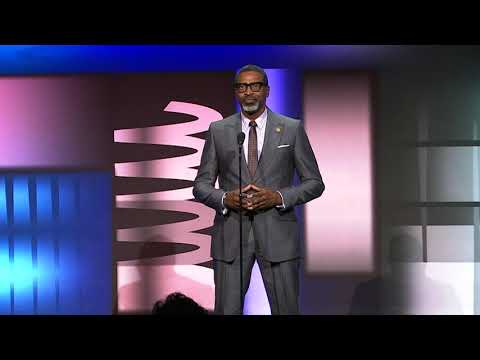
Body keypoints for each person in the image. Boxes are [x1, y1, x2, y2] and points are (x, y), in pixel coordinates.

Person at [193, 64, 325, 315]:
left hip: (278, 237)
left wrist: (277, 197)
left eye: (255, 86)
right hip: (231, 238)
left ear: (267, 90)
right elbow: (201, 185)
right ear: (236, 92)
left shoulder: (291, 128)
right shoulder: (219, 131)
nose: (249, 92)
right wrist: (225, 198)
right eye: (242, 87)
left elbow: (315, 183)